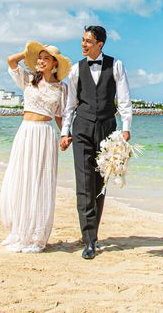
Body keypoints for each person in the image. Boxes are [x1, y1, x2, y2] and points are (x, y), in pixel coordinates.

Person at [60, 25, 132, 259]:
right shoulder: (75, 69)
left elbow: (124, 99)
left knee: (99, 185)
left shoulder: (116, 65)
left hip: (107, 128)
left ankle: (93, 233)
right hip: (81, 128)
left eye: (88, 41)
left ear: (100, 44)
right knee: (84, 183)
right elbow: (70, 104)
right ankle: (89, 240)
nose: (83, 44)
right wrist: (65, 131)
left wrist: (126, 129)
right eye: (82, 40)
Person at [0, 41, 71, 253]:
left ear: (55, 64)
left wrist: (65, 135)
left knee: (39, 182)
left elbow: (61, 115)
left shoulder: (61, 88)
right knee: (20, 179)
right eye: (39, 58)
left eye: (45, 58)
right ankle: (18, 232)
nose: (40, 61)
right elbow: (11, 61)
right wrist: (29, 53)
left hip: (45, 134)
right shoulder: (29, 80)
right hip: (26, 132)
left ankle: (35, 236)